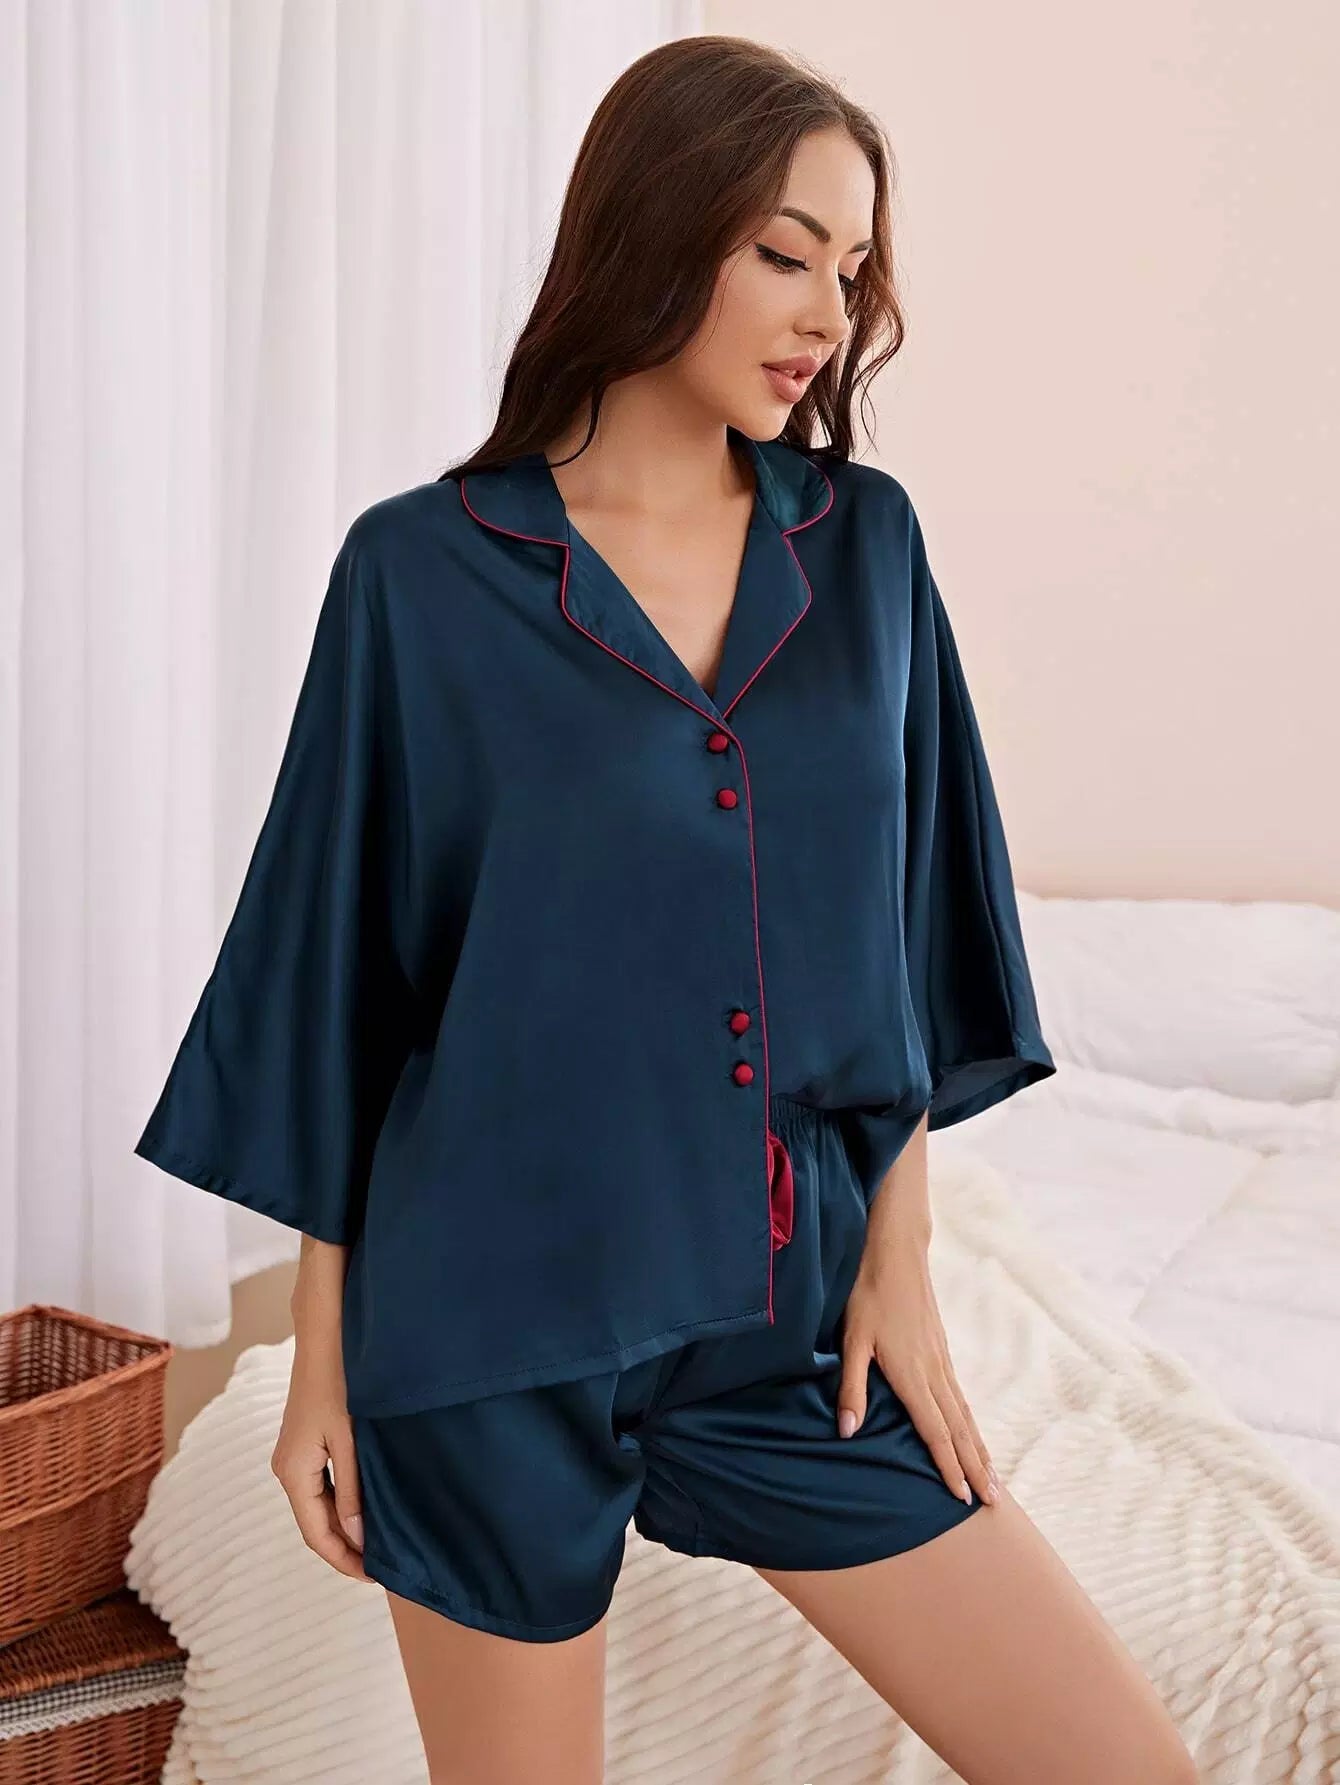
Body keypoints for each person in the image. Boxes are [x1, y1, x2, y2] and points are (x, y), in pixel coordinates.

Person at [134, 33, 1200, 1785]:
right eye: (787, 254)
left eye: (852, 270)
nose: (829, 315)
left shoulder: (864, 550)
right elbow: (346, 986)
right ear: (657, 230)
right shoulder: (421, 574)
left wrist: (901, 1260)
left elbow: (909, 934)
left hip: (790, 1325)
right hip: (487, 1323)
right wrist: (322, 1360)